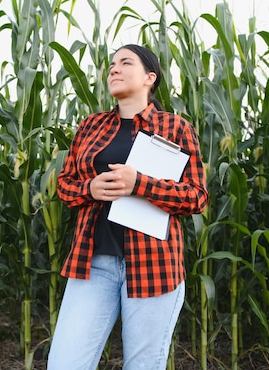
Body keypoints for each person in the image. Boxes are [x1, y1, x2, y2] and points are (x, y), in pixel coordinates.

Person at [47, 44, 209, 369]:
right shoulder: (90, 126)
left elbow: (196, 197)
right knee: (65, 363)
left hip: (155, 266)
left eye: (125, 63)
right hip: (93, 264)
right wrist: (89, 188)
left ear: (150, 77)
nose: (114, 69)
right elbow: (65, 186)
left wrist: (141, 184)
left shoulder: (176, 128)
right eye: (111, 65)